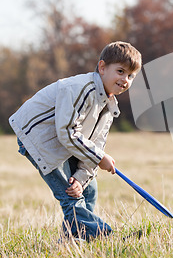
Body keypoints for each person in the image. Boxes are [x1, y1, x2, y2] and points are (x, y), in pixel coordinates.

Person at [9, 41, 142, 240]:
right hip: (38, 136)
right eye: (121, 71)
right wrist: (100, 157)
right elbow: (67, 131)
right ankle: (103, 236)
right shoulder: (82, 89)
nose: (125, 79)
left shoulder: (109, 105)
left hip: (63, 140)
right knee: (70, 195)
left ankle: (74, 238)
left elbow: (95, 144)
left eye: (131, 76)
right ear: (102, 67)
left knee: (87, 188)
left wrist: (82, 177)